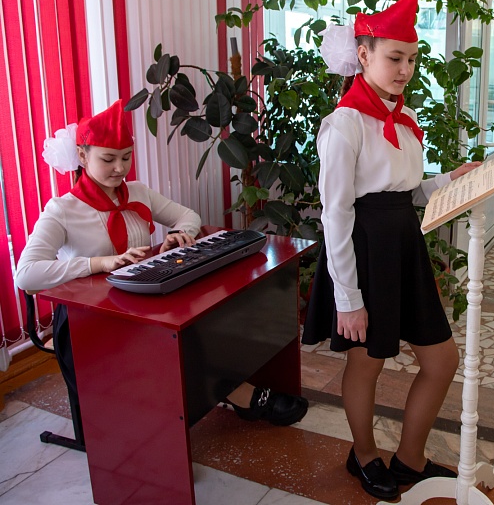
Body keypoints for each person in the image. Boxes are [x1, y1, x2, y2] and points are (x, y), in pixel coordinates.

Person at [15, 100, 308, 428]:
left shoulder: (137, 192)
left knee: (204, 320)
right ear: (82, 156)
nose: (120, 168)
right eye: (108, 159)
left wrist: (178, 236)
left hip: (139, 305)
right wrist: (98, 263)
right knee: (181, 341)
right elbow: (26, 275)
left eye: (126, 157)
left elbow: (188, 216)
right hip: (89, 324)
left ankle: (231, 390)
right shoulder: (62, 210)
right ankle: (243, 397)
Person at [301, 0, 481, 500]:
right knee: (367, 361)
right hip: (365, 254)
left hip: (404, 247)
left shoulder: (403, 118)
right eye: (395, 58)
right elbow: (337, 214)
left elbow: (409, 193)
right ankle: (363, 454)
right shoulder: (343, 125)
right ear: (364, 55)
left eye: (412, 60)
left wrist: (450, 179)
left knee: (441, 361)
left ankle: (409, 458)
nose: (405, 70)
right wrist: (348, 299)